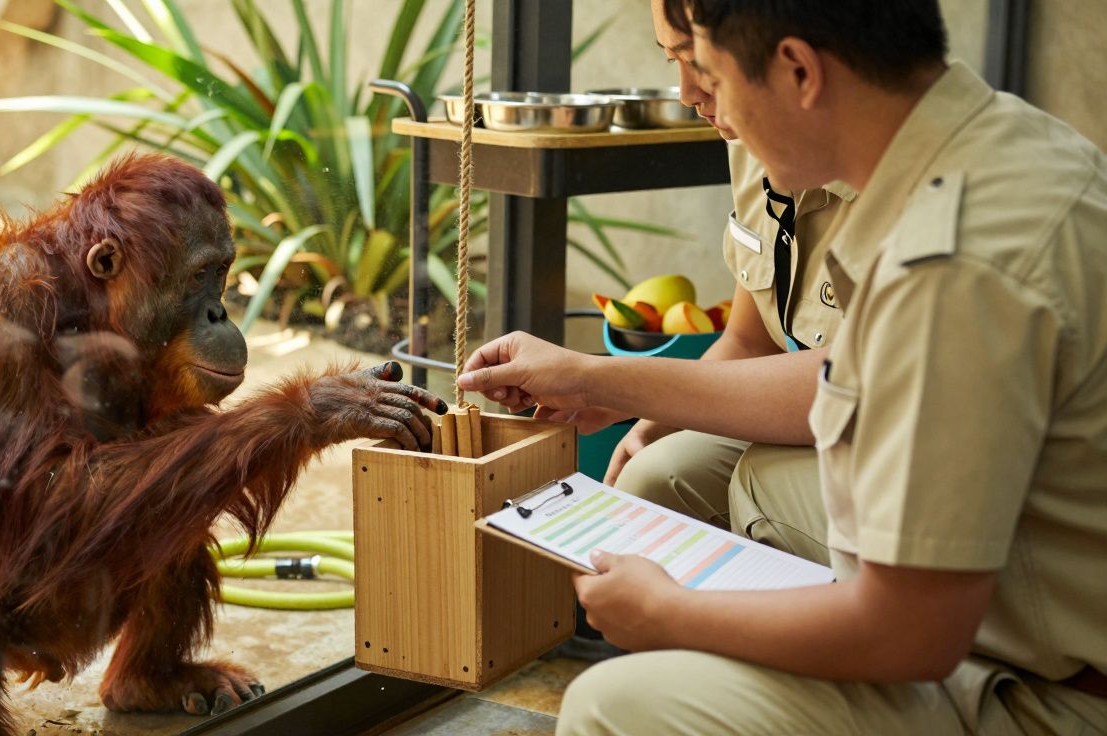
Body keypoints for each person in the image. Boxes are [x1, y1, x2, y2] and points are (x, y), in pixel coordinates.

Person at [457, 0, 1107, 732]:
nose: (696, 97)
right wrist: (605, 386)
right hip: (1033, 583)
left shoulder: (948, 266)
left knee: (609, 707)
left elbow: (911, 631)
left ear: (798, 69)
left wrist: (674, 613)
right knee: (738, 478)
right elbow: (843, 379)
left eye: (709, 69)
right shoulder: (1005, 146)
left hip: (1057, 695)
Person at [606, 0, 855, 565]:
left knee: (759, 480)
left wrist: (605, 382)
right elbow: (749, 341)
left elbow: (856, 389)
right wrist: (652, 422)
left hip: (878, 437)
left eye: (698, 61)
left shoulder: (904, 184)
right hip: (826, 410)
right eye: (671, 60)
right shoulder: (750, 143)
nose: (686, 93)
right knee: (652, 477)